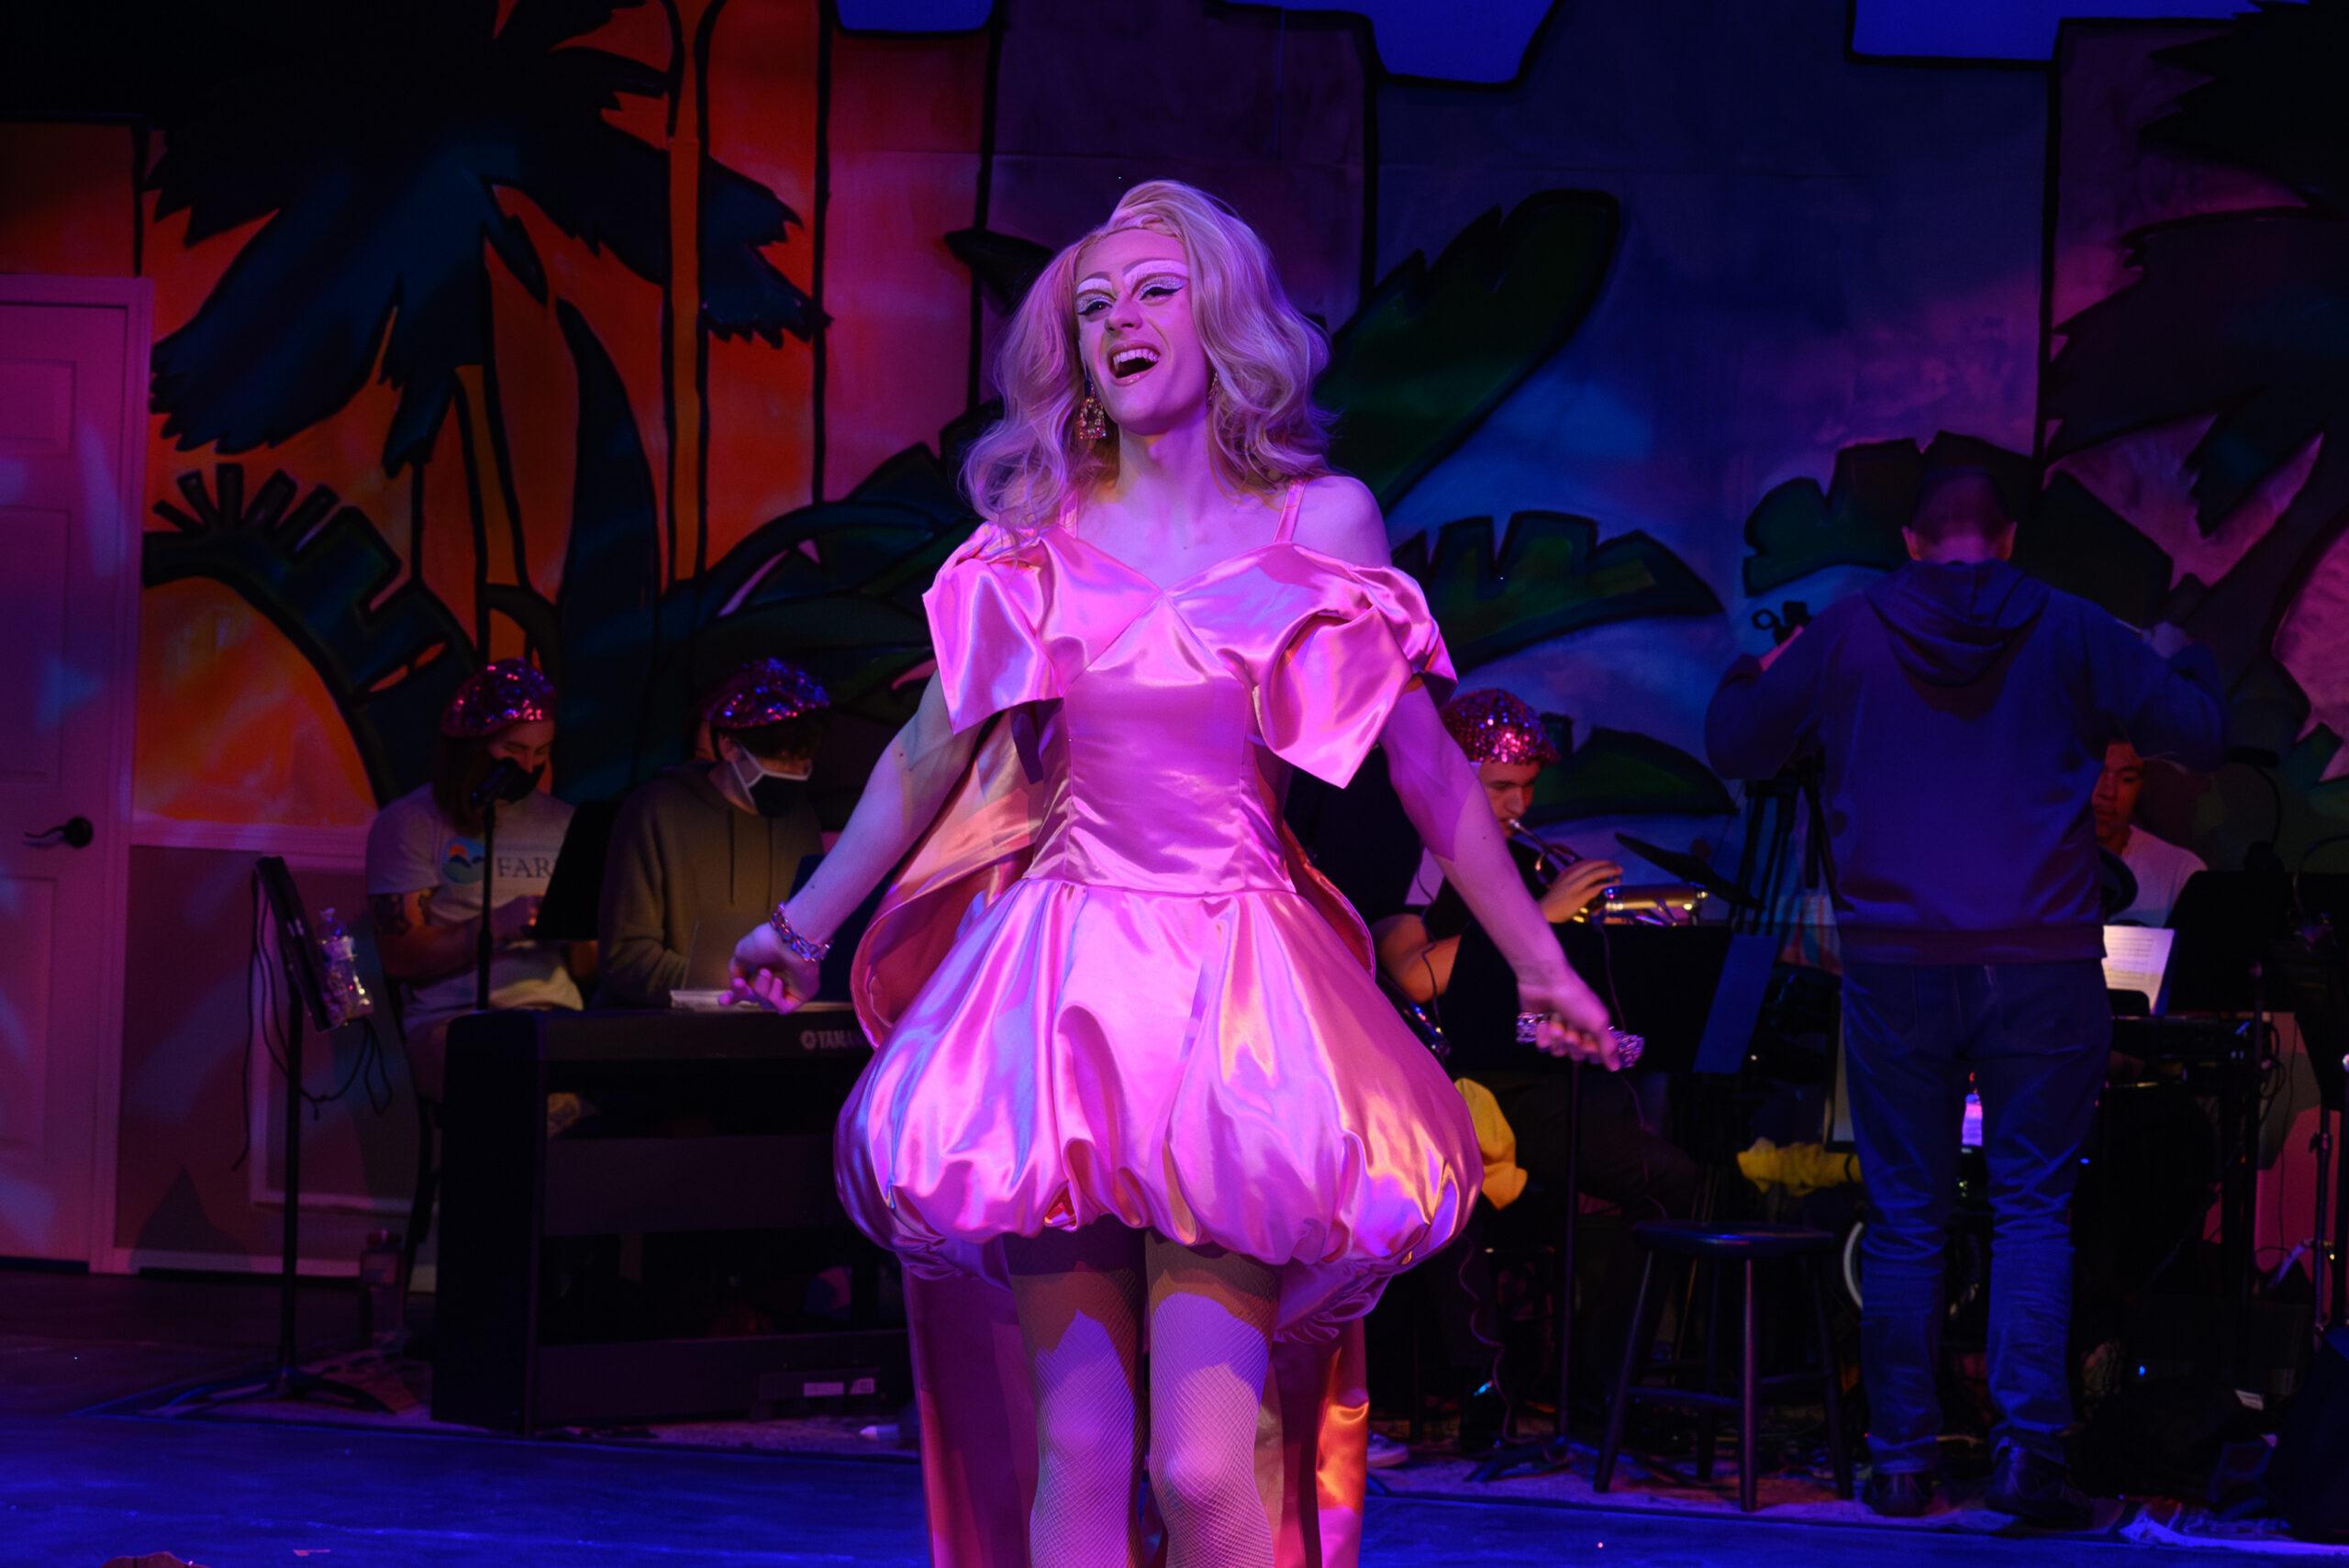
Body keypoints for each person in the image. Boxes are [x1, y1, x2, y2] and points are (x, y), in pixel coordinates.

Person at [732, 179, 1619, 1568]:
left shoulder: (1320, 522)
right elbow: (924, 754)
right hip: (1061, 1001)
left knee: (1202, 1466)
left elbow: (1427, 771)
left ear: (1221, 320)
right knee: (1080, 1451)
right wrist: (798, 923)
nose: (1120, 321)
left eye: (1153, 292)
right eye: (1094, 306)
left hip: (1234, 1009)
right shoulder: (1035, 533)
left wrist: (1543, 962)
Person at [1704, 466, 2226, 1523]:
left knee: (1905, 1215)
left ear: (1909, 538)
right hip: (2039, 961)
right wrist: (2190, 658)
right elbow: (2199, 731)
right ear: (2009, 536)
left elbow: (1738, 742)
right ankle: (2028, 1457)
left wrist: (1745, 672)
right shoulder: (2073, 627)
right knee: (2033, 1208)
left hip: (1897, 963)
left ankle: (1901, 1462)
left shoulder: (1848, 630)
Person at [1375, 689, 1698, 1445]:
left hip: (1524, 1080)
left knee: (1669, 1175)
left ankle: (1598, 1381)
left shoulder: (1521, 860)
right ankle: (1491, 1386)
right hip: (1445, 1087)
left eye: (1527, 787)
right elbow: (1412, 974)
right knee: (1449, 1179)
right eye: (1499, 787)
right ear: (1453, 777)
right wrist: (1538, 920)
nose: (1519, 805)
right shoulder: (1410, 850)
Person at [365, 660, 588, 1100]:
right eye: (514, 750)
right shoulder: (411, 822)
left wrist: (583, 927)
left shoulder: (566, 823)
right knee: (509, 1081)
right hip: (453, 1019)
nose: (528, 766)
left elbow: (586, 966)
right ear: (473, 747)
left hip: (554, 1014)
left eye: (541, 752)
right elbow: (400, 957)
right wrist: (499, 925)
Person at [596, 657, 829, 1006]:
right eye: (781, 758)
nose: (795, 773)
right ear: (730, 747)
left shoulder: (800, 819)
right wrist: (731, 984)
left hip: (775, 1022)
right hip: (669, 1028)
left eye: (803, 760)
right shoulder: (657, 811)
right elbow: (626, 957)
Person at [2093, 740, 2204, 927]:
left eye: (2127, 778)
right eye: (2097, 772)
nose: (2109, 792)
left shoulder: (2182, 872)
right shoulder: (2040, 861)